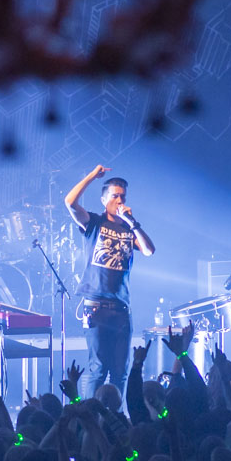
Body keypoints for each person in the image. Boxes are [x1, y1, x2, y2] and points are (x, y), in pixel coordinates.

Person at [64, 165, 155, 399]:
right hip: (96, 305)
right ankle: (89, 417)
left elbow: (148, 250)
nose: (119, 200)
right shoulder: (94, 223)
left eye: (122, 196)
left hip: (121, 307)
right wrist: (93, 175)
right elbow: (70, 202)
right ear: (104, 199)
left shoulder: (128, 228)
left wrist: (132, 222)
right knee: (98, 368)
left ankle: (117, 417)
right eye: (114, 196)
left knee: (120, 371)